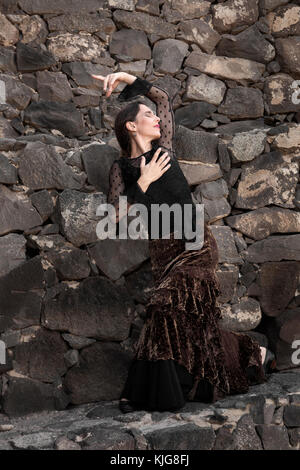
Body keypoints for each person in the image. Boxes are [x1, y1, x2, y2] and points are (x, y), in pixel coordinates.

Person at [91, 72, 277, 413]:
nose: (155, 118)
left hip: (194, 241)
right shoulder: (122, 168)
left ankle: (152, 390)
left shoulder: (165, 149)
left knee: (169, 305)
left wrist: (126, 77)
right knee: (188, 322)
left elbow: (163, 98)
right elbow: (114, 217)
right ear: (131, 127)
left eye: (153, 115)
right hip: (162, 249)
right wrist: (144, 181)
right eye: (146, 115)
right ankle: (252, 353)